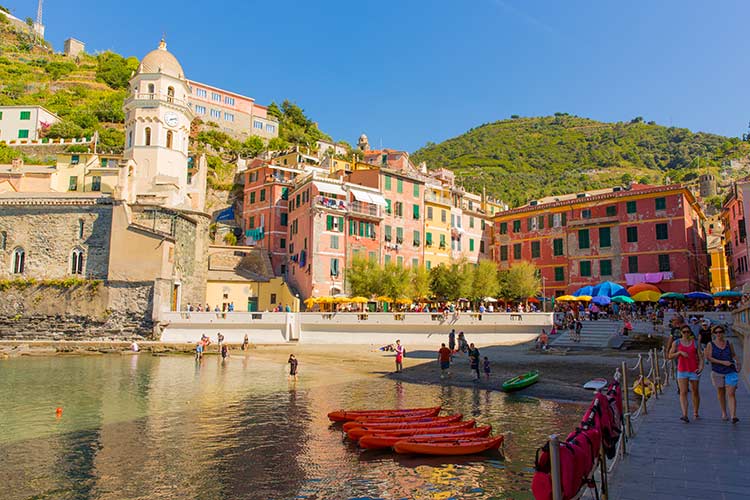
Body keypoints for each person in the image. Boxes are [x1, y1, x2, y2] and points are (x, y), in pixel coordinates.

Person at [705, 325, 740, 423]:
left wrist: (738, 362)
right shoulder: (710, 344)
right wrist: (722, 362)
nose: (719, 334)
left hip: (731, 370)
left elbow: (733, 354)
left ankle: (733, 416)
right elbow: (709, 358)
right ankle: (724, 412)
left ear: (723, 333)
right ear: (714, 334)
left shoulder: (729, 343)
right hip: (717, 371)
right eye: (716, 332)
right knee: (721, 392)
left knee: (731, 393)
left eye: (720, 332)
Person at [669, 325, 703, 422]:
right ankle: (685, 414)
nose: (686, 333)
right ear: (681, 333)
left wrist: (701, 366)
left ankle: (696, 412)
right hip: (682, 370)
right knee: (683, 392)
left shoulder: (695, 343)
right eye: (684, 332)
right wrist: (679, 353)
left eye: (688, 332)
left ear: (690, 332)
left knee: (695, 392)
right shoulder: (677, 343)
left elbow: (700, 356)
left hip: (693, 370)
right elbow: (670, 355)